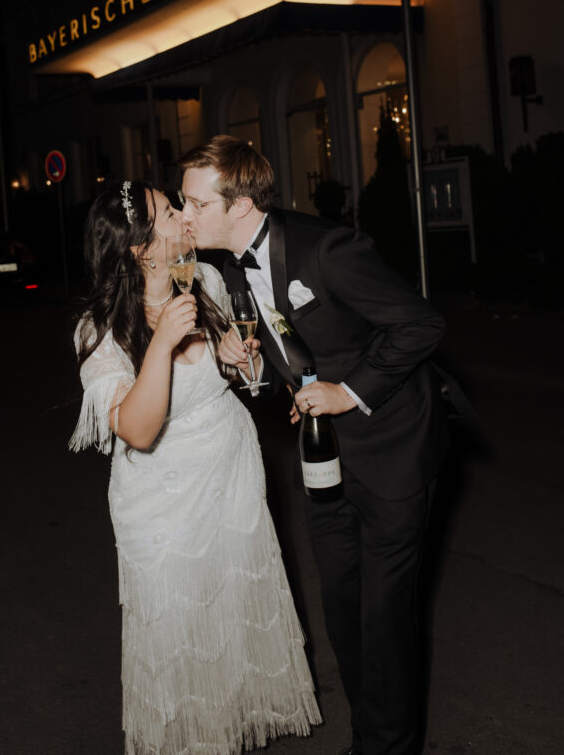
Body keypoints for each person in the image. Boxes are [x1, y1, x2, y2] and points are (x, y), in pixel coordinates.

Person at [179, 138, 449, 755]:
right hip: (324, 461)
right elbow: (286, 360)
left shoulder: (327, 248)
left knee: (384, 620)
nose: (185, 215)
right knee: (344, 612)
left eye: (195, 204)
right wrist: (244, 365)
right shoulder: (227, 267)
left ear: (241, 205)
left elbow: (421, 323)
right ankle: (369, 738)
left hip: (392, 451)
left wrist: (349, 391)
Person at [68, 180, 321, 755]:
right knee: (182, 639)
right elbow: (136, 428)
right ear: (139, 248)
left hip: (231, 478)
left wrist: (242, 359)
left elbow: (233, 380)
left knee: (232, 630)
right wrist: (160, 343)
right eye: (169, 213)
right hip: (163, 504)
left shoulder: (205, 280)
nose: (186, 218)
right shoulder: (99, 329)